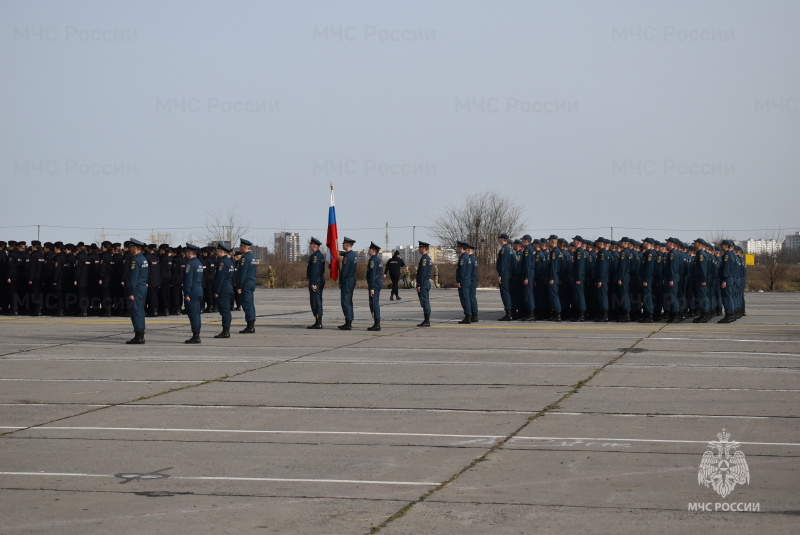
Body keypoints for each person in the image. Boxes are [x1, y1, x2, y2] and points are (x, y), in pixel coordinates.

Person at [126, 238, 149, 344]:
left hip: (136, 289)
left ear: (134, 248)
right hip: (143, 287)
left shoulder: (135, 261)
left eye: (131, 247)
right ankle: (141, 333)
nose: (130, 249)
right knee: (140, 311)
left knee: (135, 311)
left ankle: (138, 335)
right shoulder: (144, 259)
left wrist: (131, 292)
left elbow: (133, 278)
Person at [183, 243, 204, 343]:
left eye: (186, 251)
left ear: (190, 252)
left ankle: (196, 336)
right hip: (198, 289)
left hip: (192, 291)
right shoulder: (198, 263)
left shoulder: (190, 264)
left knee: (193, 314)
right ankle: (197, 333)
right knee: (197, 313)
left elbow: (188, 280)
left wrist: (186, 293)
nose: (185, 253)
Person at [213, 242, 235, 337]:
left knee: (224, 310)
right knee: (226, 310)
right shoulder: (230, 261)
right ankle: (226, 330)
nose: (216, 253)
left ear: (221, 251)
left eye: (217, 251)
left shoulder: (222, 262)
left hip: (223, 288)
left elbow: (220, 278)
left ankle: (226, 331)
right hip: (229, 286)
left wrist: (216, 291)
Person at [237, 238, 257, 333]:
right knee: (250, 304)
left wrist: (239, 286)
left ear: (245, 247)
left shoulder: (244, 258)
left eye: (241, 246)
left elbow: (242, 273)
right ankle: (251, 324)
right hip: (251, 281)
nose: (239, 248)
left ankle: (250, 326)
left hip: (246, 283)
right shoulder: (252, 257)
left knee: (247, 304)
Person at [338, 237, 357, 330]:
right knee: (349, 301)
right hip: (351, 279)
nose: (342, 245)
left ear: (347, 244)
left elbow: (344, 271)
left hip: (347, 280)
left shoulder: (347, 257)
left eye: (343, 243)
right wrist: (340, 253)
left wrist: (340, 282)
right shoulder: (353, 255)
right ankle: (349, 320)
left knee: (345, 301)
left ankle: (348, 322)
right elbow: (345, 253)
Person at [306, 237, 325, 329]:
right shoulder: (319, 255)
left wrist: (313, 283)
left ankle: (318, 322)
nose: (309, 246)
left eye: (311, 245)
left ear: (314, 246)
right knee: (317, 301)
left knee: (315, 302)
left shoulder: (316, 256)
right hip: (318, 280)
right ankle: (318, 321)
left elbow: (314, 271)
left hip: (316, 281)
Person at [496, 233, 513, 320]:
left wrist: (500, 275)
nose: (499, 240)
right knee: (508, 293)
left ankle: (508, 313)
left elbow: (502, 264)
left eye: (499, 239)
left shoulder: (504, 249)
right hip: (509, 273)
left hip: (504, 274)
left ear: (503, 239)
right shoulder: (510, 249)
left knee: (505, 294)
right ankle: (510, 312)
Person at [366, 242, 383, 331]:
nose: (368, 250)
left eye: (369, 249)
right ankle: (376, 322)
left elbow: (372, 274)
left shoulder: (373, 260)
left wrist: (371, 287)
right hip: (378, 282)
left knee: (374, 303)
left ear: (373, 251)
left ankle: (377, 324)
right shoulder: (378, 260)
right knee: (375, 302)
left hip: (374, 284)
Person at [455, 241, 472, 324]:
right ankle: (468, 315)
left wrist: (459, 281)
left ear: (461, 248)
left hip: (463, 281)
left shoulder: (463, 257)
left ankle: (468, 316)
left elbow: (461, 271)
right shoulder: (467, 257)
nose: (457, 248)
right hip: (467, 280)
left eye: (458, 247)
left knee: (464, 299)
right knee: (466, 298)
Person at [416, 241, 432, 327]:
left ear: (424, 248)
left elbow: (422, 273)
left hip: (423, 283)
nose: (419, 249)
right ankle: (426, 319)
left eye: (420, 248)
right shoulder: (427, 258)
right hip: (425, 282)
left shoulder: (424, 259)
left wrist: (419, 284)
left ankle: (427, 320)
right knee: (425, 301)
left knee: (425, 301)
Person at [467, 243, 479, 322]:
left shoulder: (470, 259)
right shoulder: (474, 259)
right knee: (472, 297)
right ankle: (474, 314)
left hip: (471, 280)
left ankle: (473, 315)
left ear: (469, 250)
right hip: (474, 279)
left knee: (470, 298)